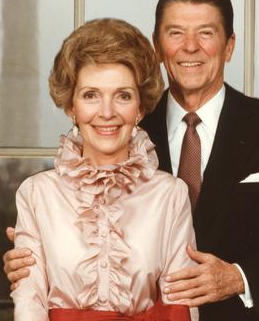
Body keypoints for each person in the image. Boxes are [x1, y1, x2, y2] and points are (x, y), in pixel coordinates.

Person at [6, 0, 259, 320]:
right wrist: (40, 256)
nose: (190, 47)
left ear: (229, 46)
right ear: (157, 46)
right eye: (175, 33)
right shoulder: (124, 123)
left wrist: (240, 278)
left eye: (205, 33)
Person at [11, 18, 199, 320]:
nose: (107, 112)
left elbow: (182, 306)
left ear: (139, 108)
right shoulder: (36, 194)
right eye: (91, 95)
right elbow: (29, 300)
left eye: (122, 95)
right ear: (71, 107)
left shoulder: (171, 195)